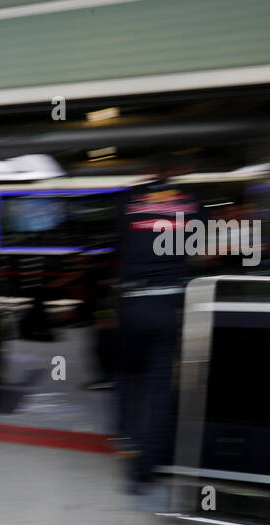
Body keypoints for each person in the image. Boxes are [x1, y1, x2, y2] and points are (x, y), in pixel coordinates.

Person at [113, 157, 203, 493]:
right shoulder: (192, 202)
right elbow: (196, 250)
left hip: (134, 303)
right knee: (160, 390)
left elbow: (121, 246)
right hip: (170, 306)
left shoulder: (128, 200)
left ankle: (126, 437)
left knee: (126, 374)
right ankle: (144, 470)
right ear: (177, 168)